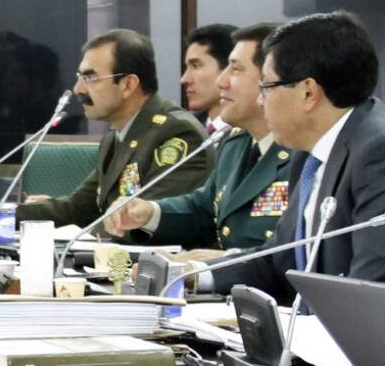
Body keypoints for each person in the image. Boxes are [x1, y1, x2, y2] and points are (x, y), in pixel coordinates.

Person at [206, 11, 385, 305]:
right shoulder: (311, 154)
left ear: (309, 92)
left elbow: (371, 291)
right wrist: (192, 275)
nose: (261, 100)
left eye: (266, 87)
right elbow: (278, 258)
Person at [14, 29, 215, 242]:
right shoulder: (116, 135)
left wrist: (82, 236)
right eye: (79, 77)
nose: (78, 89)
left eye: (90, 78)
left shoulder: (177, 134)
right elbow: (79, 208)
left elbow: (142, 223)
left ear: (128, 85)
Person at [105, 22, 291, 251]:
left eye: (235, 69)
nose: (221, 81)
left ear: (269, 78)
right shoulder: (236, 143)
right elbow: (202, 210)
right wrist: (148, 213)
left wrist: (220, 262)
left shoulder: (300, 153)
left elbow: (290, 253)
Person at [181, 24, 237, 134]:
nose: (184, 79)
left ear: (228, 68)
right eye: (186, 68)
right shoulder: (182, 130)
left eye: (196, 66)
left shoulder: (251, 133)